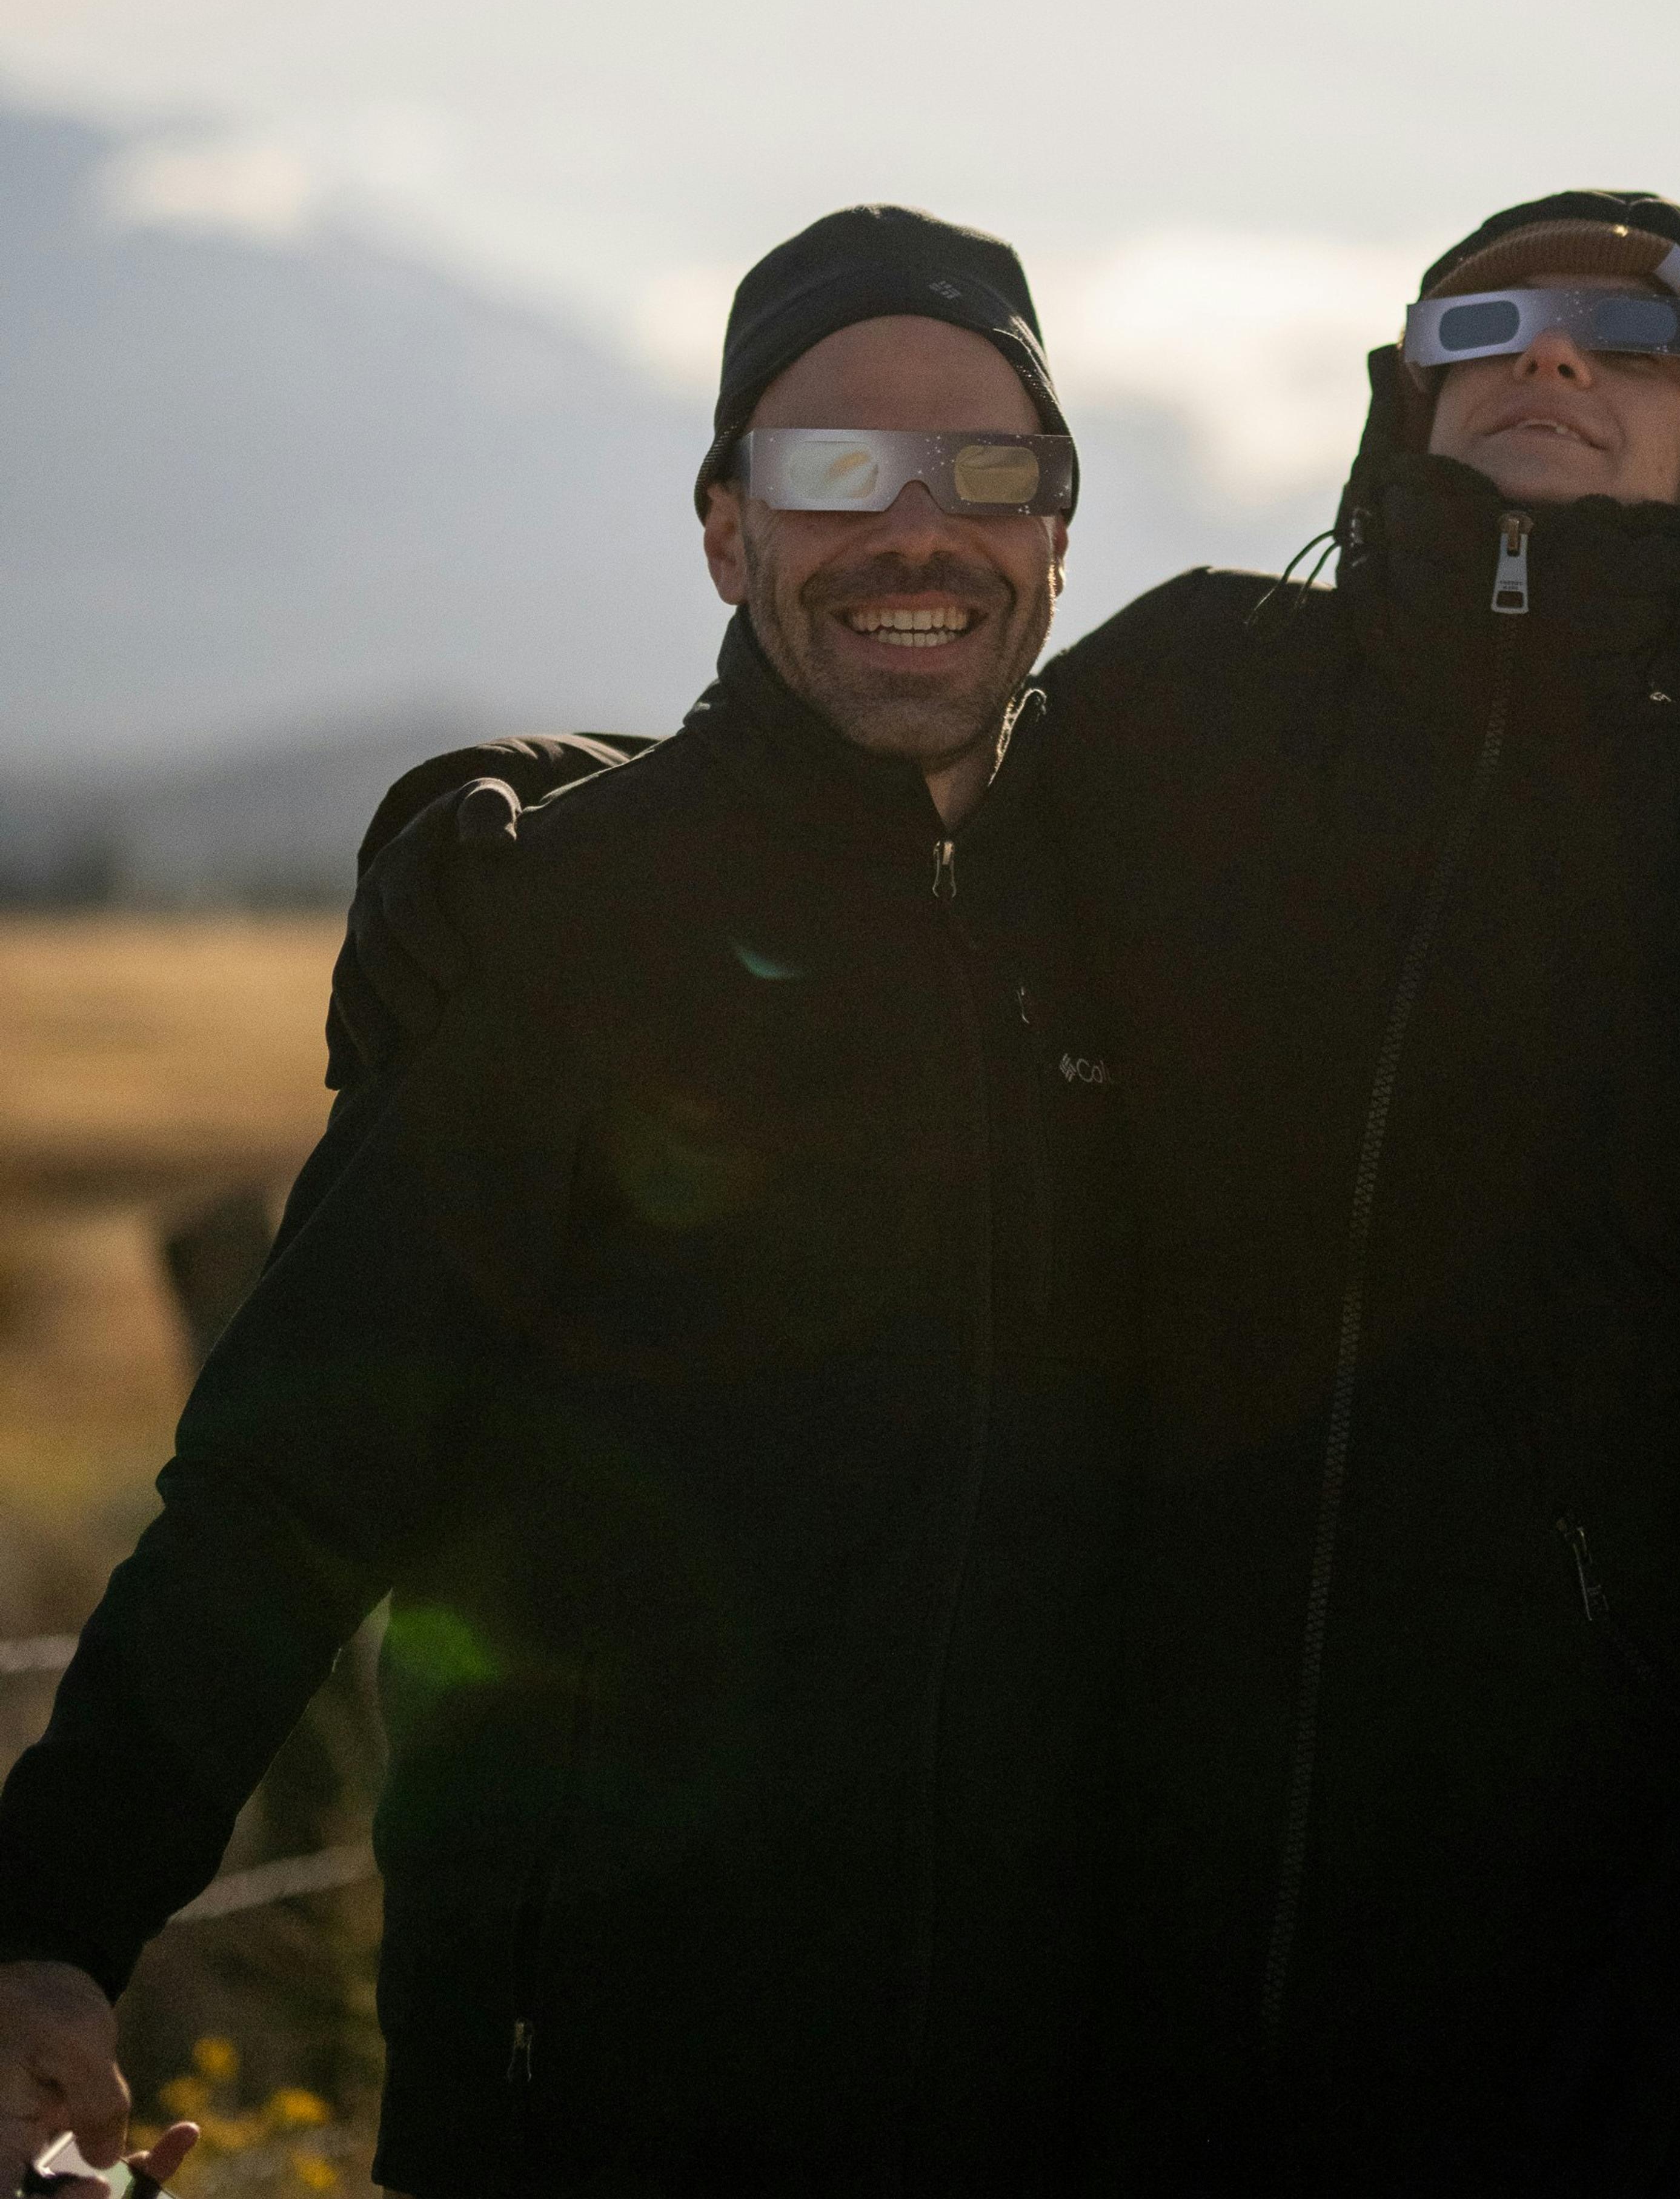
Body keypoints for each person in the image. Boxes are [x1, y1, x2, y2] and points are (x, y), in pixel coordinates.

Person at [277, 185, 1680, 2195]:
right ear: (1402, 404)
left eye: (1633, 343)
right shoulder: (1194, 698)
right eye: (1493, 324)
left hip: (1584, 1947)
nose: (1550, 360)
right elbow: (866, 791)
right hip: (1119, 1947)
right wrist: (516, 802)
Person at [0, 207, 1135, 2199]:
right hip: (605, 2080)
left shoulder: (1135, 933)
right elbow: (289, 1485)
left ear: (1058, 529)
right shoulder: (562, 927)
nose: (917, 528)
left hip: (1061, 2075)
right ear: (725, 529)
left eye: (988, 468)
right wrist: (46, 1927)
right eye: (834, 468)